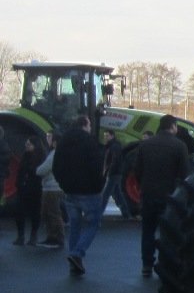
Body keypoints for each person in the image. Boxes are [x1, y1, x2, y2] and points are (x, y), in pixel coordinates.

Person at [134, 114, 194, 277]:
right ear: (173, 126)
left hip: (148, 194)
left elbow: (137, 170)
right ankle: (165, 265)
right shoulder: (179, 146)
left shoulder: (145, 145)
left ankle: (146, 264)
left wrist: (143, 185)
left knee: (148, 230)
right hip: (169, 196)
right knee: (169, 232)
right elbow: (185, 174)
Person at [53, 116, 105, 276]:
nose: (90, 127)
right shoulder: (90, 142)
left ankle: (74, 261)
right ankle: (77, 253)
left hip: (70, 191)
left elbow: (56, 166)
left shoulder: (63, 142)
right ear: (85, 125)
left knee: (75, 225)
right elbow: (97, 166)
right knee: (93, 224)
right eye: (89, 124)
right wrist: (98, 185)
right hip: (89, 191)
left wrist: (64, 185)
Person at [12, 136, 44, 245]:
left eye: (29, 144)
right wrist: (18, 184)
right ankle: (21, 236)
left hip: (35, 189)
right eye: (26, 143)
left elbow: (38, 173)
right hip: (23, 188)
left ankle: (33, 236)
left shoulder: (40, 158)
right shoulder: (25, 156)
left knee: (35, 213)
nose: (26, 146)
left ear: (35, 146)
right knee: (19, 212)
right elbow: (20, 171)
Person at [35, 132, 65, 248]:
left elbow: (42, 170)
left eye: (49, 137)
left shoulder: (54, 154)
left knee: (52, 213)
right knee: (51, 213)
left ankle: (56, 238)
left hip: (51, 188)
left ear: (55, 142)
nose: (47, 139)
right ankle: (53, 237)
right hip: (55, 186)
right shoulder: (61, 153)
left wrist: (37, 170)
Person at [99, 129, 134, 221]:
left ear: (112, 136)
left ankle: (98, 214)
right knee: (118, 194)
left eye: (107, 136)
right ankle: (126, 214)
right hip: (116, 173)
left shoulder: (114, 146)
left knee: (106, 194)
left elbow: (114, 160)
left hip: (113, 174)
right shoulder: (113, 146)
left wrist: (108, 171)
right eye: (104, 136)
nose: (105, 138)